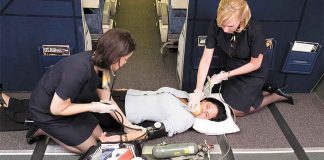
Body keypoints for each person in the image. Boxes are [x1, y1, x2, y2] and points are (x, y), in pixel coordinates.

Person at [25, 28, 143, 154]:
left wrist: (128, 126)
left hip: (69, 104)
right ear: (114, 57)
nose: (126, 62)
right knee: (92, 148)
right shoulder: (77, 71)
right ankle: (42, 129)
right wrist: (93, 107)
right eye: (125, 59)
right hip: (47, 112)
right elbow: (56, 109)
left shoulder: (104, 67)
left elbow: (107, 99)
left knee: (101, 136)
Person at [0, 87, 228, 143]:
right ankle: (16, 104)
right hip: (119, 97)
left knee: (61, 112)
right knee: (64, 99)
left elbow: (150, 133)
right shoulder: (185, 96)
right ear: (206, 99)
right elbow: (153, 93)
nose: (204, 110)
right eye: (209, 106)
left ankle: (14, 108)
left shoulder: (185, 119)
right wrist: (122, 90)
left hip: (118, 113)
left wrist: (119, 139)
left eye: (208, 115)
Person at [189, 0, 294, 117]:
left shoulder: (255, 28)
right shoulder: (215, 25)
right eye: (221, 24)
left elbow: (255, 64)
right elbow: (206, 58)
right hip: (232, 66)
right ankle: (262, 92)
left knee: (237, 112)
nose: (224, 30)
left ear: (242, 17)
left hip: (253, 72)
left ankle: (276, 96)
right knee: (226, 99)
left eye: (230, 26)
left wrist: (226, 75)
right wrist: (198, 90)